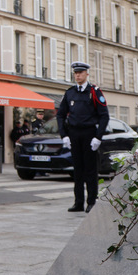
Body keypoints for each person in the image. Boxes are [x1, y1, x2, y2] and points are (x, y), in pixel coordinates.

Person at [56, 62, 109, 213]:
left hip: (89, 134)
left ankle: (91, 201)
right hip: (74, 134)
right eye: (75, 73)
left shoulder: (94, 92)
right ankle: (78, 202)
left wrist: (98, 137)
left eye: (80, 72)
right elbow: (60, 115)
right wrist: (64, 135)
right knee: (77, 170)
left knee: (90, 170)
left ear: (87, 74)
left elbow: (104, 116)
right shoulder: (70, 93)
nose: (77, 75)